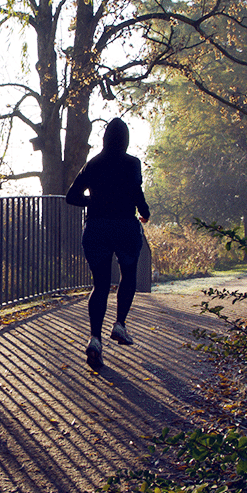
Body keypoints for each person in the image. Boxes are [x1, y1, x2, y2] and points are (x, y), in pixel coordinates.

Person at [65, 118, 150, 370]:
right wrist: (144, 211)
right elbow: (137, 193)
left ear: (104, 139)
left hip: (97, 228)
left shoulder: (93, 164)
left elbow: (72, 197)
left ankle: (95, 340)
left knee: (99, 285)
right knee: (129, 273)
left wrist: (96, 202)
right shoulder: (132, 163)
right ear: (125, 140)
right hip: (124, 226)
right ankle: (120, 325)